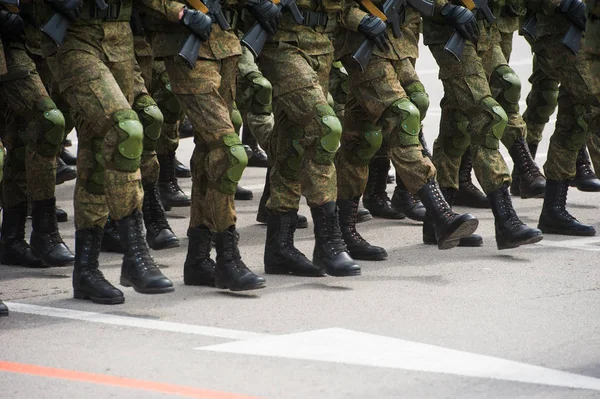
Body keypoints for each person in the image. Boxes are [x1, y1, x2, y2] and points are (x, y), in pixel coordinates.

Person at [40, 0, 174, 304]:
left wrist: (180, 12)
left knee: (98, 148)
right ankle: (135, 254)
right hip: (73, 36)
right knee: (125, 129)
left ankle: (86, 271)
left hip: (120, 41)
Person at [139, 0, 266, 290]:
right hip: (187, 43)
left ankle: (198, 258)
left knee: (210, 151)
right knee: (229, 150)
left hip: (226, 43)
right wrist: (179, 11)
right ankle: (228, 257)